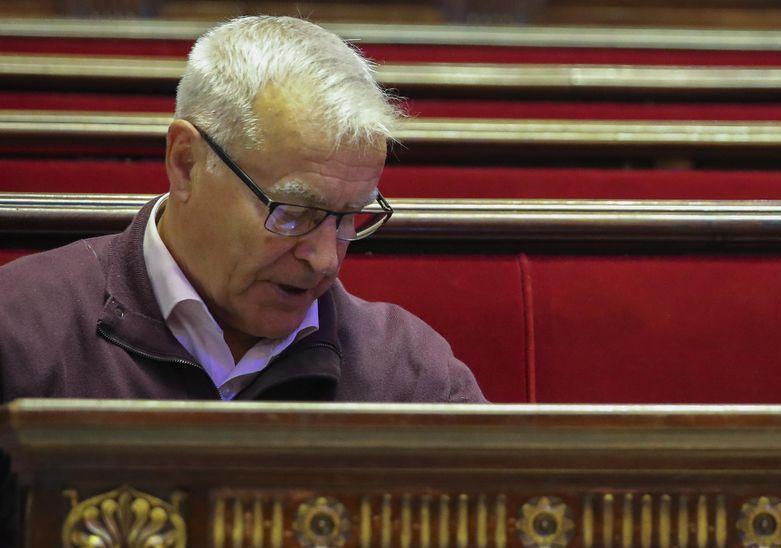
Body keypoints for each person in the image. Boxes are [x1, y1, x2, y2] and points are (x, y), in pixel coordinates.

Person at [0, 16, 486, 540]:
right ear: (186, 163)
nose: (325, 259)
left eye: (349, 219)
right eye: (294, 211)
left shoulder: (412, 378)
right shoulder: (20, 334)